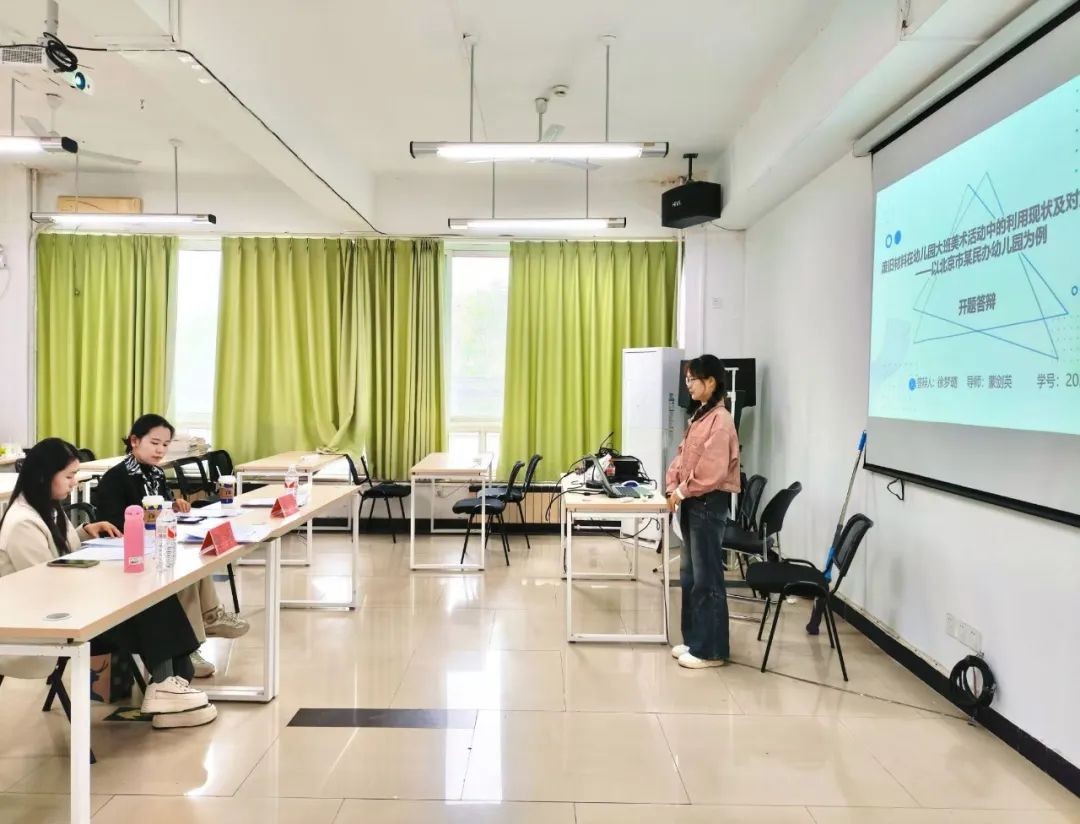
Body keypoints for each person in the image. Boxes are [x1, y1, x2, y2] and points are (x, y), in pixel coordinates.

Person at [0, 439, 216, 728]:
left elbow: (58, 554)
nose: (74, 483)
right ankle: (166, 687)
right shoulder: (22, 523)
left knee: (150, 595)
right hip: (42, 623)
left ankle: (169, 685)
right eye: (68, 476)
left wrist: (84, 531)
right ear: (43, 476)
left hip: (62, 608)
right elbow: (48, 583)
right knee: (144, 605)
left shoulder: (46, 508)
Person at [94, 414, 249, 678]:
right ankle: (190, 646)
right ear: (134, 441)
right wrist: (147, 519)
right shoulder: (115, 478)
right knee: (178, 573)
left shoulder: (156, 473)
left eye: (165, 445)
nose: (160, 450)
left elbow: (162, 507)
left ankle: (210, 618)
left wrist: (174, 506)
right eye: (154, 443)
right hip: (127, 555)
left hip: (156, 545)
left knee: (193, 559)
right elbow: (112, 525)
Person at [665, 355, 741, 669]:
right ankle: (695, 640)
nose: (688, 385)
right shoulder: (700, 415)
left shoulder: (721, 420)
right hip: (692, 503)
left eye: (692, 380)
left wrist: (682, 491)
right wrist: (672, 484)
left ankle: (711, 651)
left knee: (707, 579)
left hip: (707, 506)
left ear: (710, 382)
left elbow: (711, 470)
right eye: (687, 380)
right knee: (690, 576)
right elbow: (682, 457)